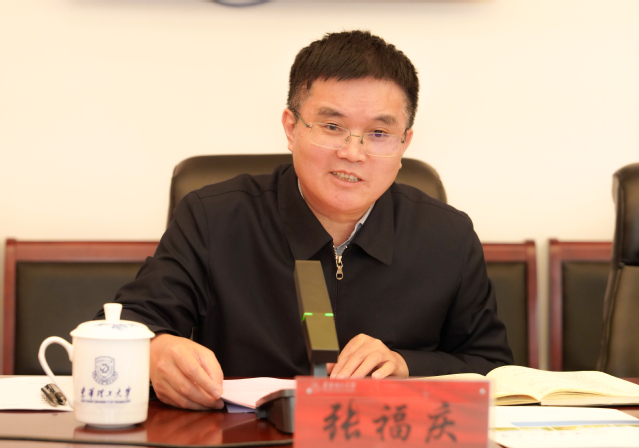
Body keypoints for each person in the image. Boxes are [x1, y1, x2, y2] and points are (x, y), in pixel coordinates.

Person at [101, 30, 513, 411]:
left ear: (404, 143)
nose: (353, 153)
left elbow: (492, 367)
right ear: (291, 128)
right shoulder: (213, 218)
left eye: (379, 134)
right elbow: (120, 327)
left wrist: (405, 365)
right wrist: (155, 352)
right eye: (332, 126)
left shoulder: (448, 236)